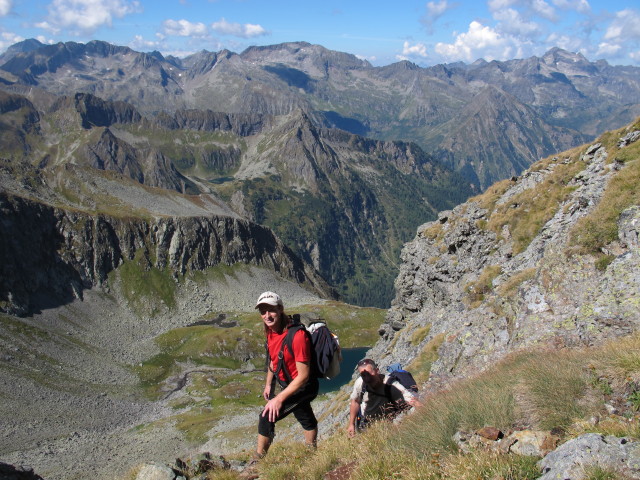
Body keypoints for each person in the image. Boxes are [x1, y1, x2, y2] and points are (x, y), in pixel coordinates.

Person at [242, 291, 319, 478]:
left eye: (271, 310)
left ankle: (257, 463)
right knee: (304, 415)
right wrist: (269, 384)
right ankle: (312, 453)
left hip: (304, 386)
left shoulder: (297, 336)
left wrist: (278, 399)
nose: (267, 316)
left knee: (266, 415)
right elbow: (274, 359)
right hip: (289, 385)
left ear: (281, 309)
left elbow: (303, 376)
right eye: (263, 311)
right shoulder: (270, 331)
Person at [347, 358, 421, 437]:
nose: (367, 378)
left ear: (377, 371)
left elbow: (412, 400)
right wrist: (351, 424)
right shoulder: (360, 383)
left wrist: (427, 413)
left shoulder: (390, 384)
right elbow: (355, 402)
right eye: (363, 375)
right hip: (367, 422)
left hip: (388, 421)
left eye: (369, 373)